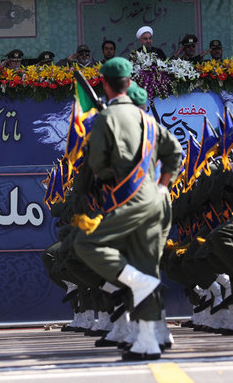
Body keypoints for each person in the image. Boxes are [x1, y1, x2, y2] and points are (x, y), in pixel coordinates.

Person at [72, 57, 182, 360]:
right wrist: (162, 185)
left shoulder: (108, 118)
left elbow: (99, 168)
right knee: (146, 266)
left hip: (127, 200)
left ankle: (134, 282)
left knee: (87, 243)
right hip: (154, 199)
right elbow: (175, 152)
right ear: (128, 83)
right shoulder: (147, 119)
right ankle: (147, 341)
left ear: (105, 84)